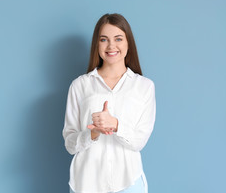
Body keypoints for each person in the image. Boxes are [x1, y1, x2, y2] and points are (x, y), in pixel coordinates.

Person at [62, 13, 156, 193]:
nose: (111, 45)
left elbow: (139, 141)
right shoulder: (80, 85)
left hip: (129, 183)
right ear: (96, 44)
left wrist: (116, 125)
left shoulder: (144, 87)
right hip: (86, 184)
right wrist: (93, 133)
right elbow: (70, 143)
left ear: (128, 42)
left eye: (118, 38)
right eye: (104, 39)